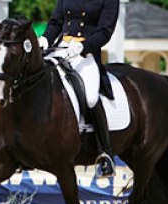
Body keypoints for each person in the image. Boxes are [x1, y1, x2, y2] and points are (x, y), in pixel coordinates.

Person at [38, 0, 120, 177]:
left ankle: (105, 153)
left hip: (85, 53)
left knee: (91, 97)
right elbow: (56, 22)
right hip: (60, 49)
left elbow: (105, 31)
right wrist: (46, 38)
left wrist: (84, 45)